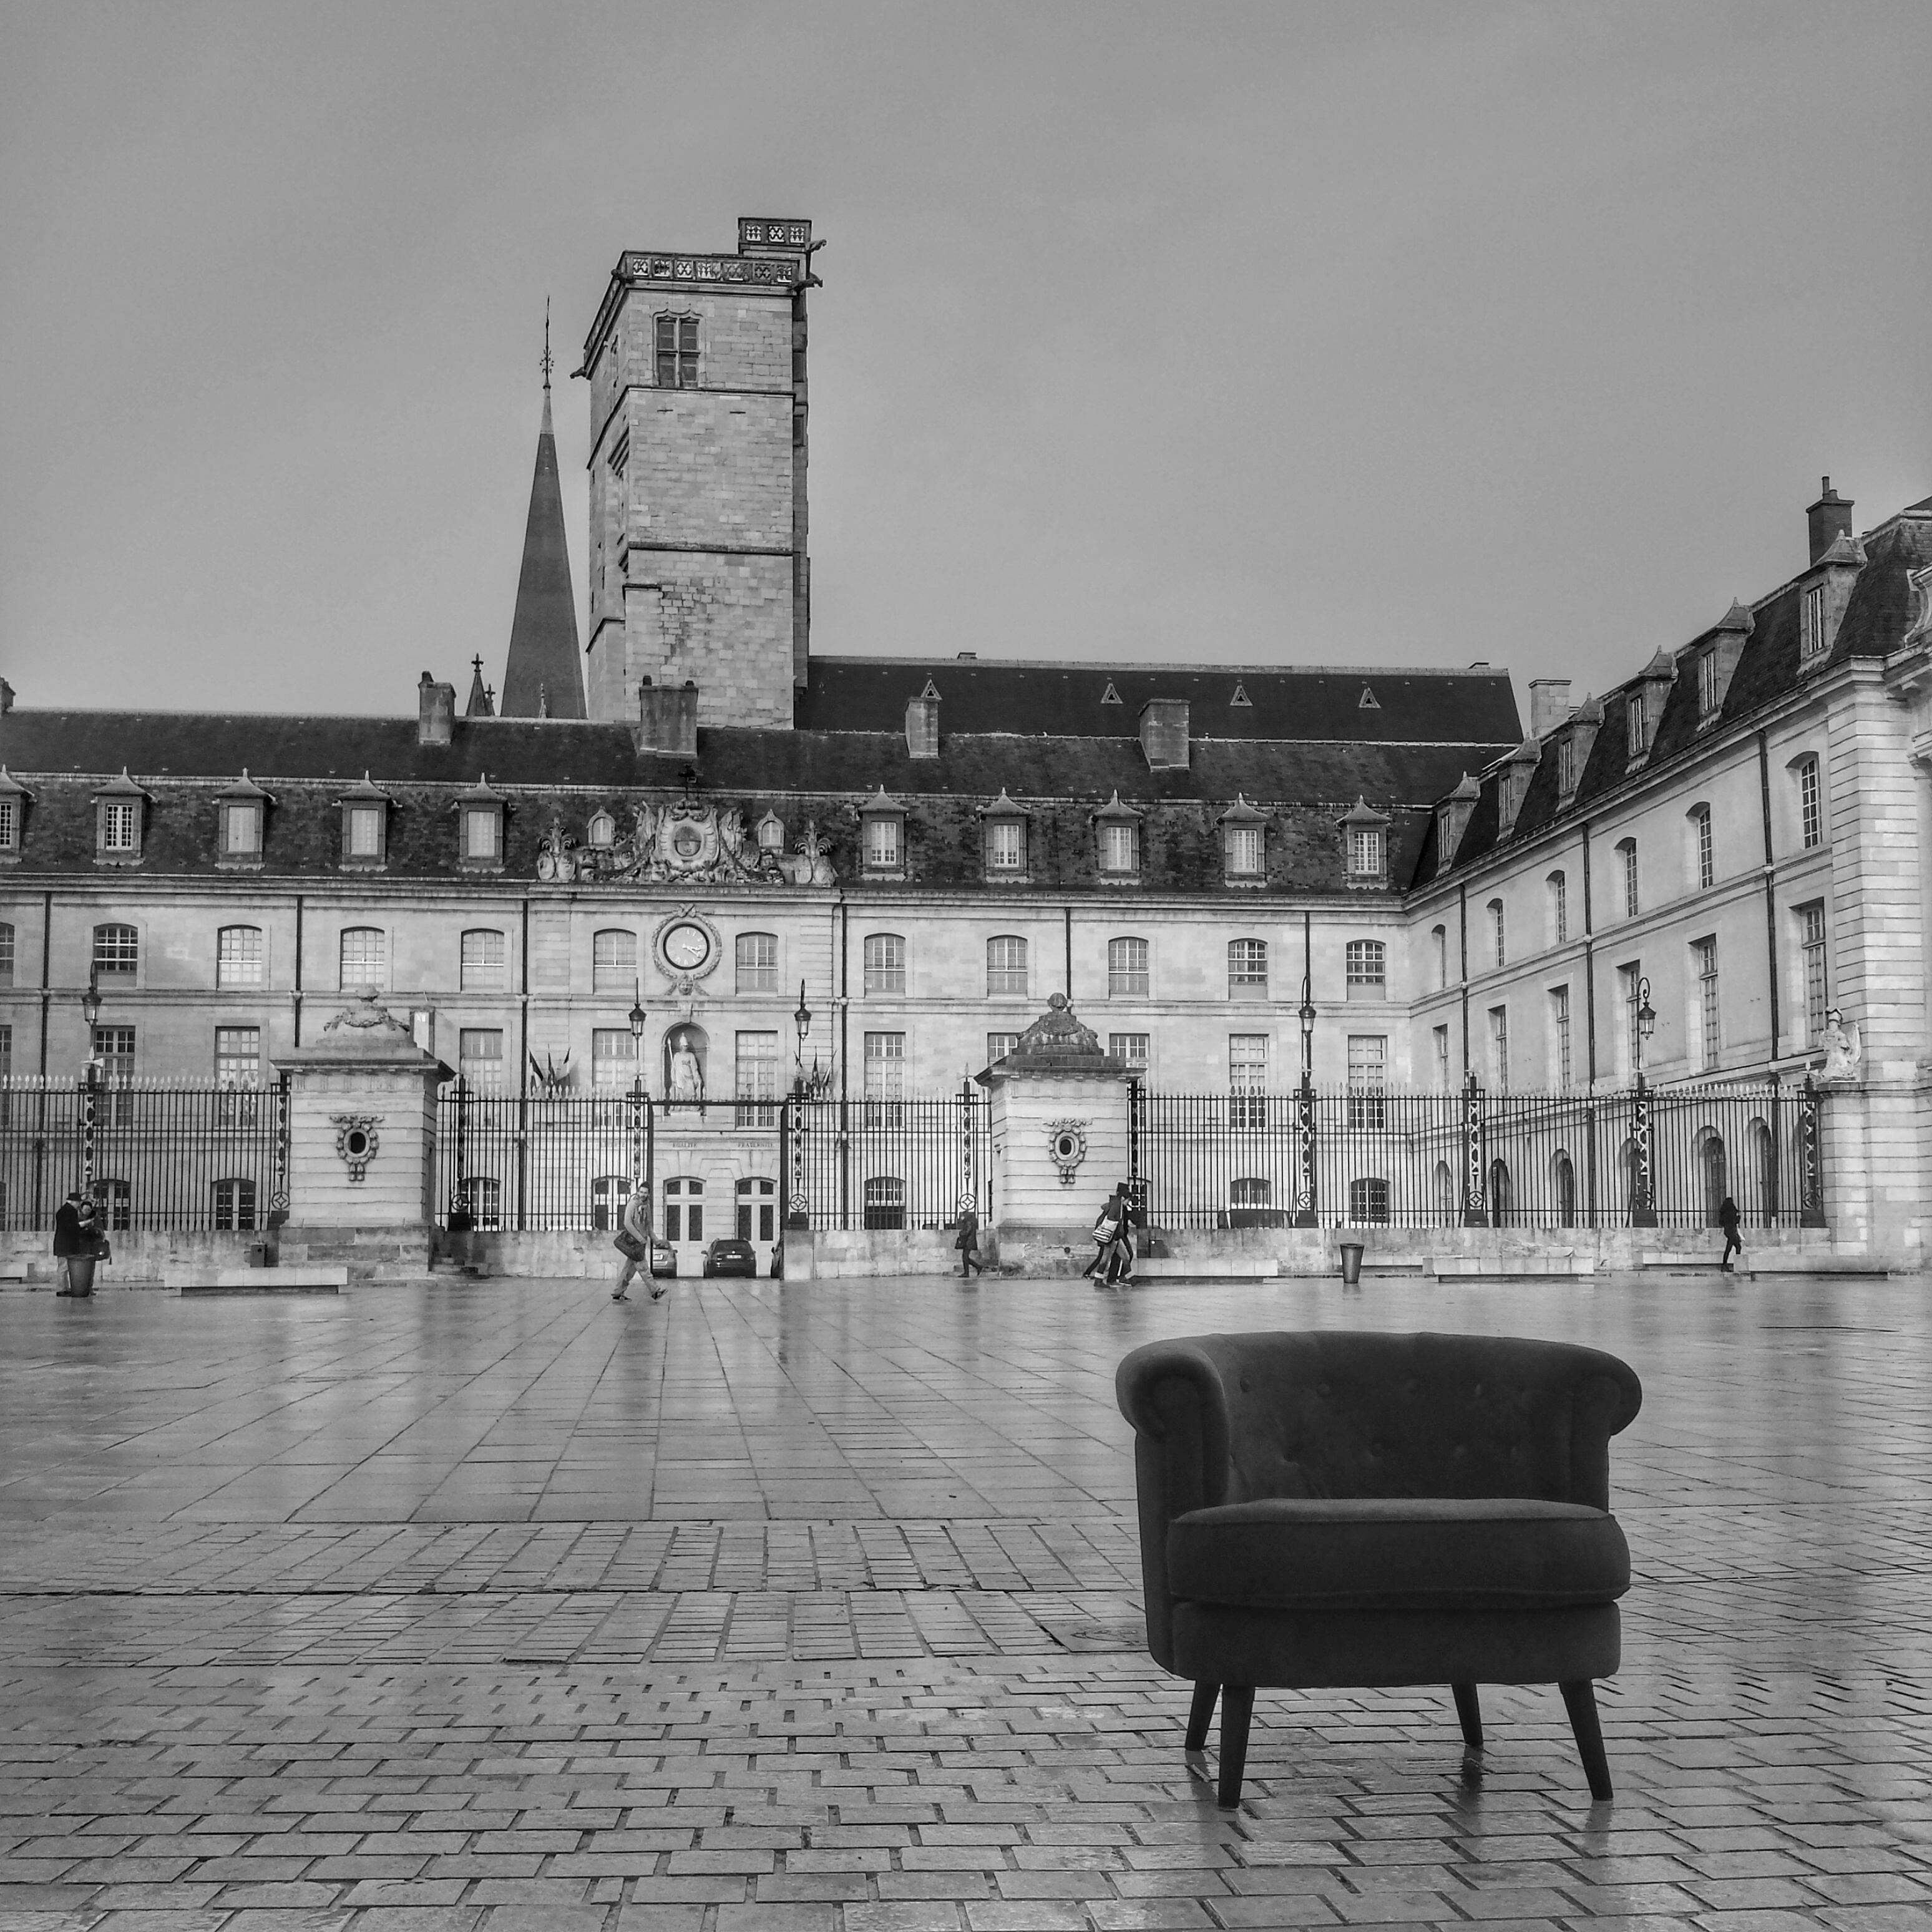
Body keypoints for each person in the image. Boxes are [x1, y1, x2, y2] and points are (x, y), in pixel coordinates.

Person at [612, 1187, 660, 1302]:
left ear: (648, 1194)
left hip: (641, 1243)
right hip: (634, 1243)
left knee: (629, 1270)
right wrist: (640, 1239)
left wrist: (656, 1240)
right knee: (643, 1268)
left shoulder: (647, 1207)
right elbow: (628, 1224)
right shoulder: (632, 1204)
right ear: (638, 1192)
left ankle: (618, 1292)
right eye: (641, 1192)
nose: (643, 1195)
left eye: (645, 1193)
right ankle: (655, 1291)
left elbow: (648, 1226)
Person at [52, 1190, 84, 1294]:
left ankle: (65, 1288)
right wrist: (81, 1225)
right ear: (74, 1202)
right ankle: (61, 1289)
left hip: (63, 1244)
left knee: (64, 1267)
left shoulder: (64, 1210)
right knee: (64, 1268)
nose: (79, 1205)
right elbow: (70, 1227)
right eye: (78, 1203)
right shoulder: (69, 1211)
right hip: (66, 1244)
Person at [955, 1203, 983, 1277]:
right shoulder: (968, 1222)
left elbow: (968, 1231)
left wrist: (961, 1233)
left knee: (965, 1257)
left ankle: (968, 1272)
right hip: (968, 1242)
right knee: (965, 1257)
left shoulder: (969, 1222)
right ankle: (977, 1267)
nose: (961, 1218)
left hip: (969, 1242)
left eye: (962, 1216)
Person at [1717, 1195, 1742, 1273]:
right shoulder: (1732, 1211)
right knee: (1736, 1247)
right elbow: (1735, 1221)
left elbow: (1721, 1223)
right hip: (1732, 1231)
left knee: (1732, 1248)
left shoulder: (1723, 1212)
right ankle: (1736, 1265)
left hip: (1727, 1231)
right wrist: (1739, 1217)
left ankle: (1725, 1265)